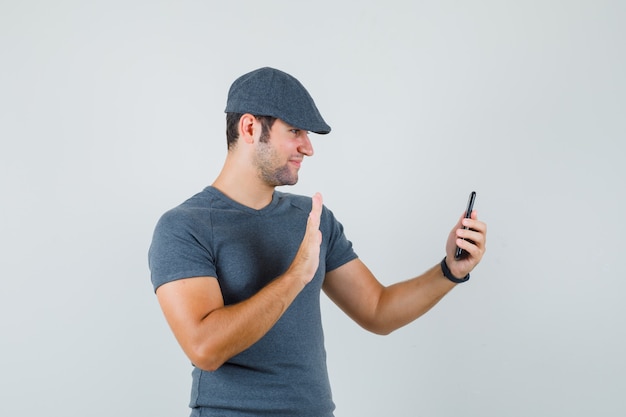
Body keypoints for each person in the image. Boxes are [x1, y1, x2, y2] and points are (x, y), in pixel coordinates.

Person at [148, 67, 487, 416]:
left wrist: (450, 270)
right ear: (249, 128)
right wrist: (297, 276)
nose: (307, 148)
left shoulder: (311, 218)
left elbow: (377, 310)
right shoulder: (184, 227)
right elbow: (204, 348)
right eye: (294, 131)